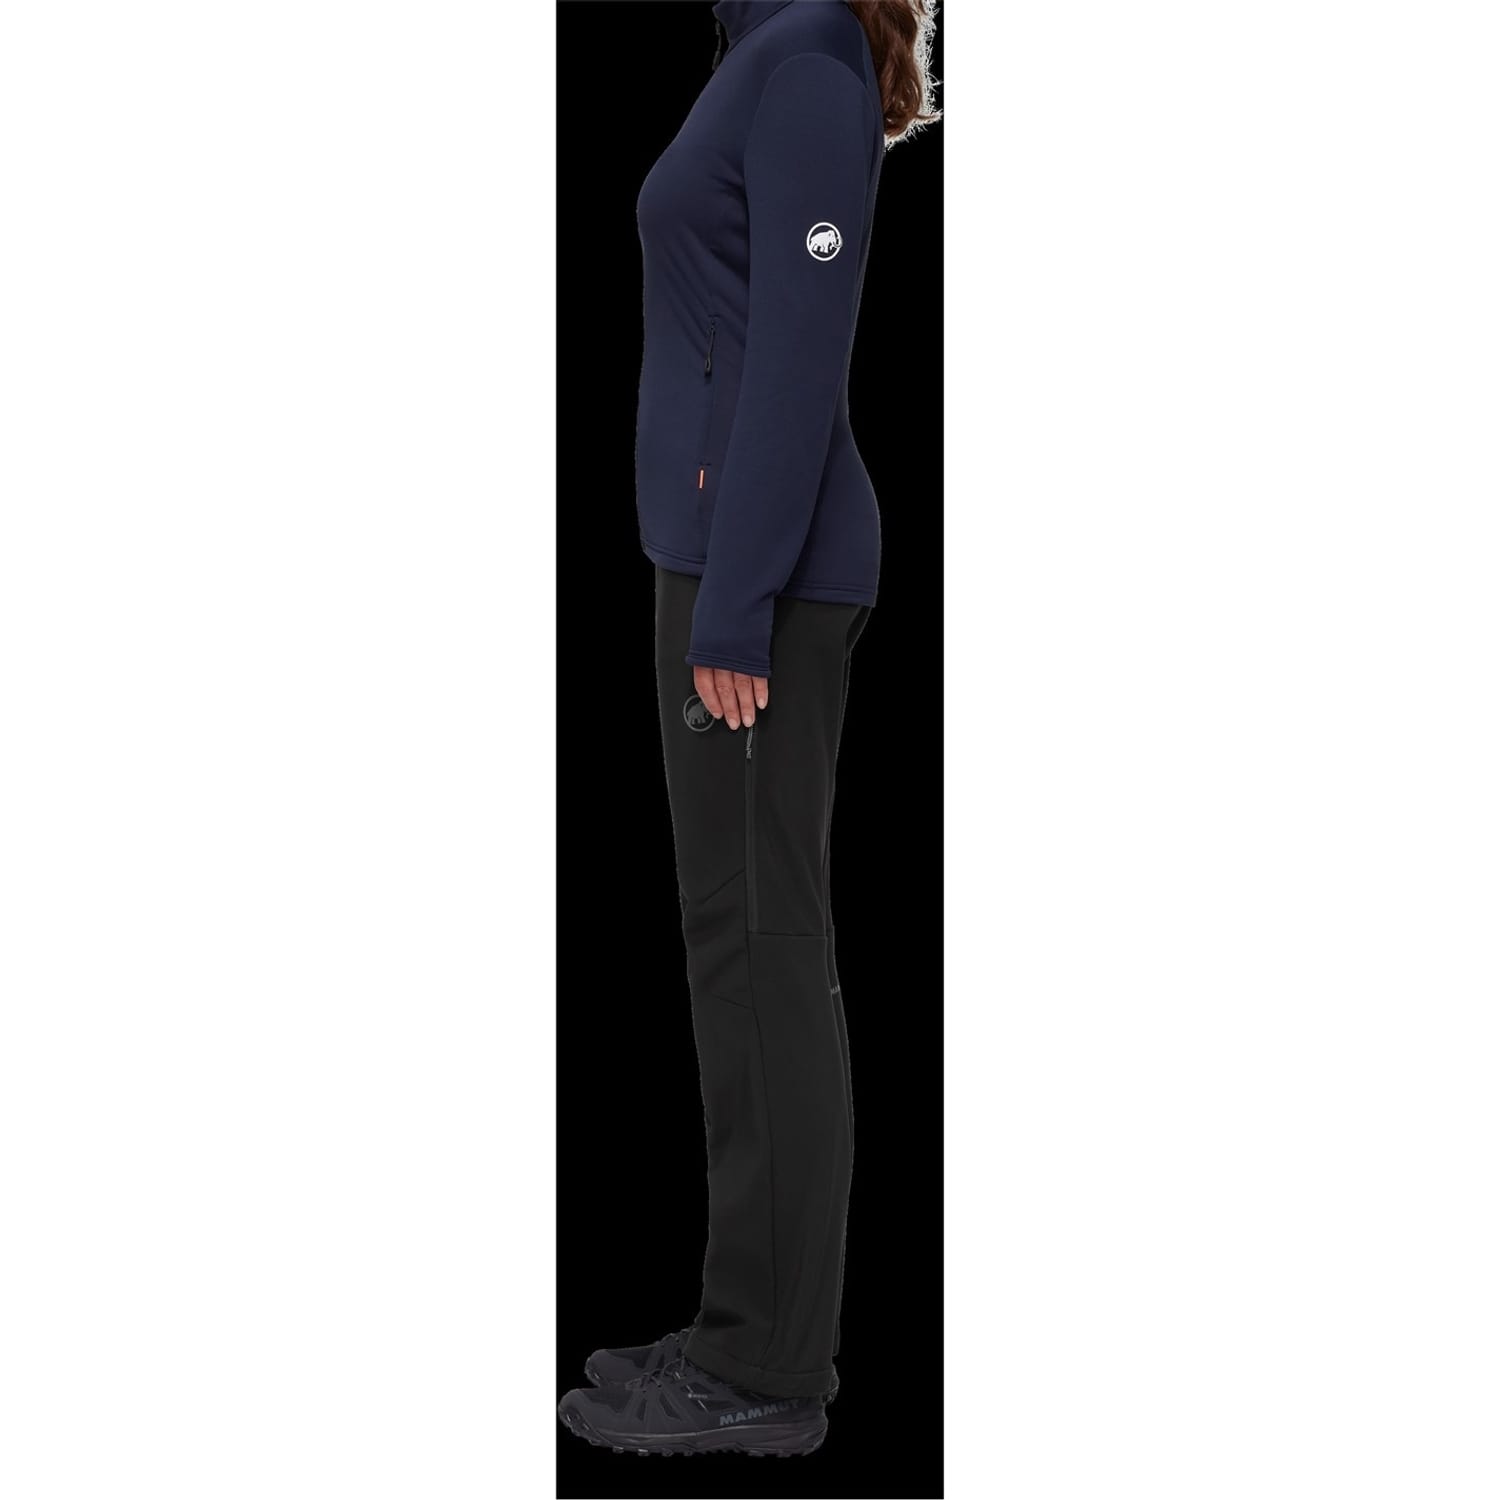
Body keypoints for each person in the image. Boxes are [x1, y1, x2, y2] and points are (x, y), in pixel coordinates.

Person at [559, 0, 938, 1458]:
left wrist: (734, 605)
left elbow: (799, 347)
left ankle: (767, 1371)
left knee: (766, 948)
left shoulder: (808, 66)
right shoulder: (764, 50)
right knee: (734, 947)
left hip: (758, 589)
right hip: (723, 569)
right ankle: (742, 1322)